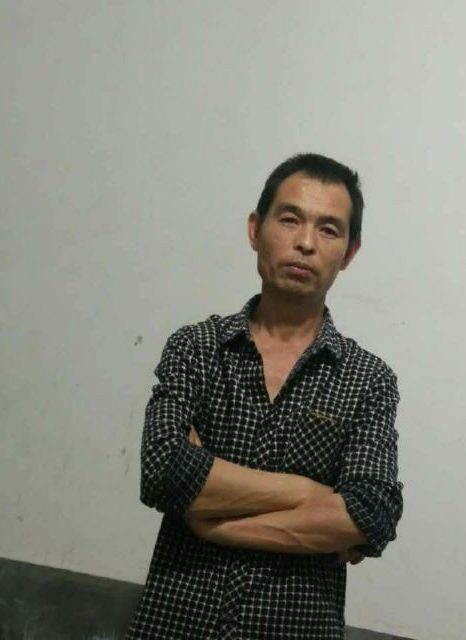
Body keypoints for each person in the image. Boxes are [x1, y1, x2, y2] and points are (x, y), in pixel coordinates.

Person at [126, 153, 404, 639]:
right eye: (290, 219)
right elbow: (164, 470)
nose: (305, 242)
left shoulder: (368, 379)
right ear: (255, 230)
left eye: (329, 229)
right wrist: (310, 495)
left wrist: (212, 522)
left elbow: (372, 511)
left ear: (350, 252)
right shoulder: (196, 348)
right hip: (174, 626)